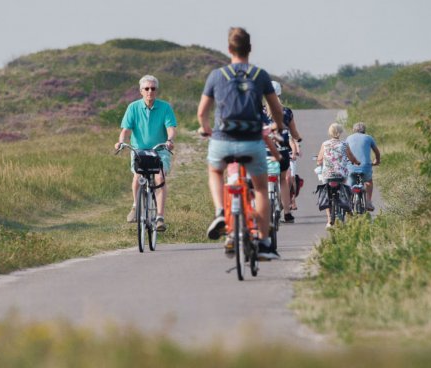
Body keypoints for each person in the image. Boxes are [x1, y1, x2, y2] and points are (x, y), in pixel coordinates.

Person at [197, 27, 285, 260]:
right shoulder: (260, 75)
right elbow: (276, 109)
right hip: (252, 142)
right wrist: (279, 126)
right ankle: (265, 242)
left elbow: (202, 112)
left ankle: (220, 212)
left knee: (215, 171)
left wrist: (207, 130)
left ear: (229, 49)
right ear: (250, 49)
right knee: (261, 189)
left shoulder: (217, 75)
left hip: (222, 141)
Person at [115, 75, 177, 232]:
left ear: (156, 90)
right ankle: (135, 206)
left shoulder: (165, 107)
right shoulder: (133, 108)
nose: (150, 91)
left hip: (159, 149)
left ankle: (160, 218)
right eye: (147, 89)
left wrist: (169, 140)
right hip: (139, 150)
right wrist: (121, 142)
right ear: (141, 91)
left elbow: (171, 128)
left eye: (153, 88)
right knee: (138, 176)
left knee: (160, 177)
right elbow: (126, 130)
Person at [262, 81, 303, 223]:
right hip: (283, 153)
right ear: (279, 93)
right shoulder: (287, 112)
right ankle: (287, 212)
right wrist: (298, 139)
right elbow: (294, 132)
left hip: (264, 154)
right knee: (283, 181)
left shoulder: (259, 111)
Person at [317, 123, 359, 228]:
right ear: (340, 132)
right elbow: (351, 157)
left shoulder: (325, 144)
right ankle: (349, 211)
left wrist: (320, 162)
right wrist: (356, 162)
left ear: (329, 132)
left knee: (327, 192)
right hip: (341, 174)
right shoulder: (344, 144)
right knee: (345, 188)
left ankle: (329, 220)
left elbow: (319, 160)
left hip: (327, 175)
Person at [345, 122, 380, 211]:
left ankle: (348, 202)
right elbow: (377, 152)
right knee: (368, 182)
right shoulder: (368, 138)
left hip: (351, 168)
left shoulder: (348, 138)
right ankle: (368, 201)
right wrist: (377, 161)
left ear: (353, 130)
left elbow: (344, 151)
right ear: (364, 130)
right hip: (365, 167)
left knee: (349, 185)